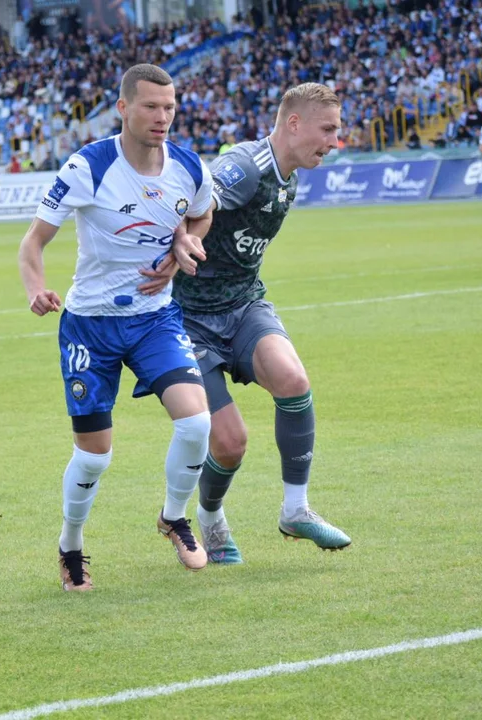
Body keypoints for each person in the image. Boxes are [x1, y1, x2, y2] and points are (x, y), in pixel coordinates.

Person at [17, 64, 215, 592]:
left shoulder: (190, 167)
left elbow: (202, 214)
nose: (162, 117)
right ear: (123, 108)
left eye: (170, 106)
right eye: (151, 106)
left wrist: (183, 246)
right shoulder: (89, 166)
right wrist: (36, 288)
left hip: (155, 318)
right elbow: (32, 243)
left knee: (197, 424)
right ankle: (71, 544)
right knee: (93, 455)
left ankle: (174, 517)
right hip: (90, 327)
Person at [167, 83, 352, 564]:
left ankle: (296, 509)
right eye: (327, 129)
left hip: (244, 302)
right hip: (189, 318)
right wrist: (179, 243)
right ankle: (209, 517)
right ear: (294, 123)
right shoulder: (245, 168)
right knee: (230, 443)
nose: (335, 140)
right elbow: (184, 204)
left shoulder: (289, 175)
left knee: (293, 380)